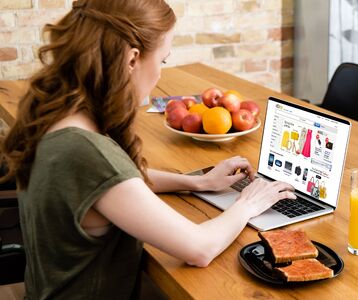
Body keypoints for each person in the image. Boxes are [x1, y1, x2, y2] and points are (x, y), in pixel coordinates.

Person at [0, 0, 295, 299]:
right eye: (163, 61)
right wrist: (249, 202)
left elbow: (113, 183)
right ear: (132, 59)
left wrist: (197, 182)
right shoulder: (86, 152)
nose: (159, 76)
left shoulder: (59, 115)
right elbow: (199, 248)